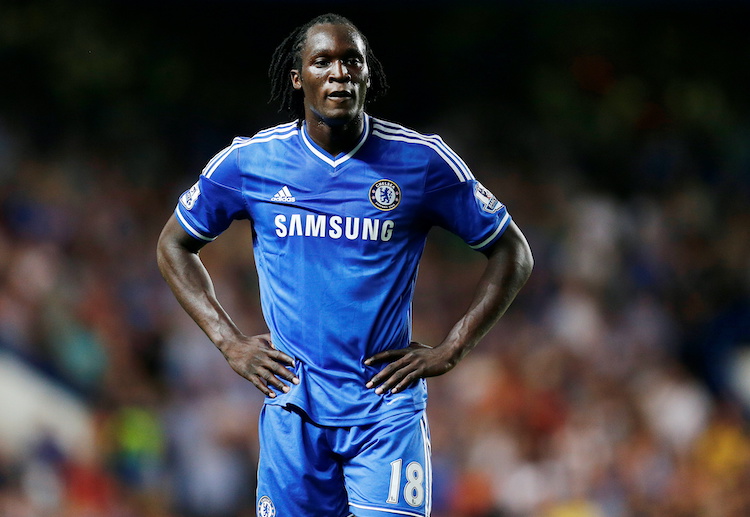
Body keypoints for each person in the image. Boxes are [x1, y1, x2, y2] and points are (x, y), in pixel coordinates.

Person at [157, 12, 533, 517]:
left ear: (368, 75)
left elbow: (513, 252)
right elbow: (174, 245)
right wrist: (229, 342)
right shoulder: (251, 162)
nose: (339, 73)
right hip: (294, 406)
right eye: (323, 62)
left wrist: (453, 347)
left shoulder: (421, 161)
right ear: (298, 78)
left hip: (386, 409)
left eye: (351, 61)